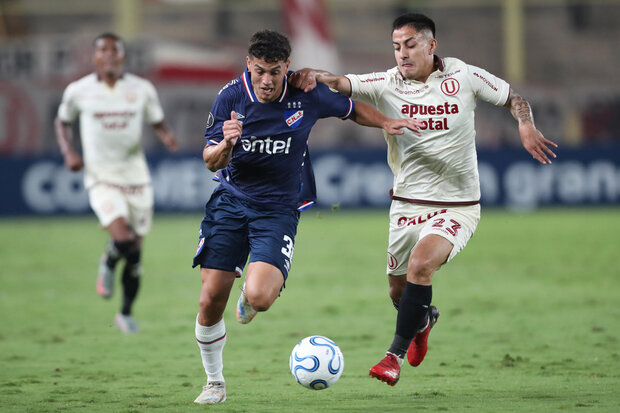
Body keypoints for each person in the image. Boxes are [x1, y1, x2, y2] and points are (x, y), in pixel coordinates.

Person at [289, 12, 558, 386]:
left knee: (420, 265)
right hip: (407, 203)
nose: (402, 53)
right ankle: (423, 319)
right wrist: (311, 74)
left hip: (457, 205)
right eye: (396, 46)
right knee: (398, 290)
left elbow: (514, 97)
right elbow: (338, 81)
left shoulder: (463, 75)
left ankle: (392, 357)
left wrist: (525, 125)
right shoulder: (387, 83)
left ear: (431, 45)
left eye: (410, 44)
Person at [192, 29, 423, 404]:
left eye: (275, 72)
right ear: (248, 65)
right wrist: (227, 144)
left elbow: (350, 109)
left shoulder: (306, 93)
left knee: (260, 297)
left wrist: (385, 122)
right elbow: (210, 161)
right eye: (259, 71)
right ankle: (214, 382)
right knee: (210, 300)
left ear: (287, 66)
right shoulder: (231, 96)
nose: (267, 81)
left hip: (278, 210)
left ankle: (250, 296)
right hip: (230, 202)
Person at [55, 32, 178, 334]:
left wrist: (165, 135)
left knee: (135, 256)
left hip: (137, 177)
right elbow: (62, 121)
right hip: (102, 177)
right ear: (95, 56)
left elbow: (156, 120)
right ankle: (109, 261)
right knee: (123, 240)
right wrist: (69, 151)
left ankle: (125, 313)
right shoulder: (79, 90)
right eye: (103, 50)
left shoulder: (142, 89)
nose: (109, 55)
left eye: (115, 50)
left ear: (123, 56)